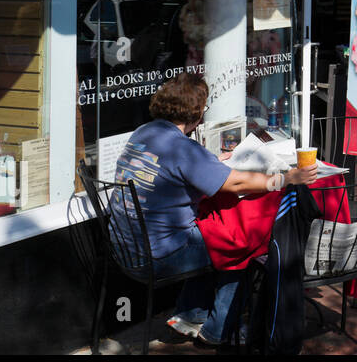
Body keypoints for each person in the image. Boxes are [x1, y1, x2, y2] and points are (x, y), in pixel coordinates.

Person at [112, 73, 319, 345]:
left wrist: (211, 162)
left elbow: (176, 168)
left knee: (213, 235)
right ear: (197, 113)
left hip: (124, 246)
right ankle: (219, 330)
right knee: (239, 245)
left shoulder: (144, 132)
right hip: (158, 255)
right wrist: (284, 179)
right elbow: (236, 182)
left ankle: (189, 315)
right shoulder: (184, 148)